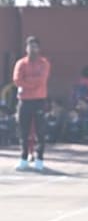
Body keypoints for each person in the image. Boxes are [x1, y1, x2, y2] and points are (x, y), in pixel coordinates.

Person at [12, 35, 51, 171]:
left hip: (39, 100)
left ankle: (39, 159)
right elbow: (17, 80)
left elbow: (41, 80)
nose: (32, 49)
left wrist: (27, 80)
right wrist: (31, 82)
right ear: (26, 48)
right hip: (24, 101)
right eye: (30, 46)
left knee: (40, 131)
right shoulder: (21, 63)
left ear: (39, 48)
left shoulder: (44, 63)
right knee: (23, 131)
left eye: (35, 46)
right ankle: (24, 158)